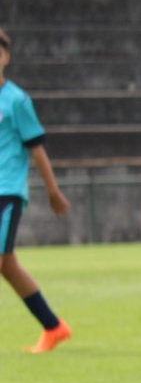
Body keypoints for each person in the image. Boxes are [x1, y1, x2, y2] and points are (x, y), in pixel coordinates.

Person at [0, 28, 71, 352]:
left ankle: (54, 327)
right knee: (8, 265)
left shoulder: (16, 100)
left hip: (7, 191)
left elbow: (37, 148)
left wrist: (52, 190)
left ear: (6, 57)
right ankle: (53, 327)